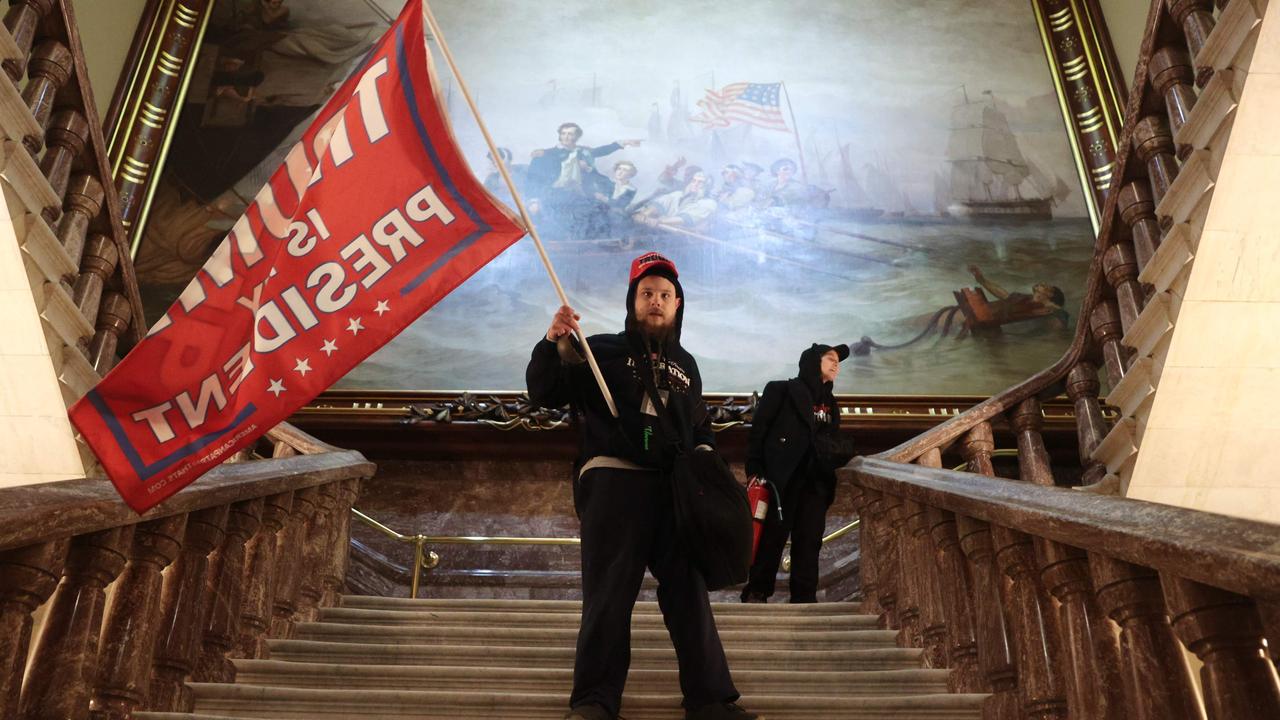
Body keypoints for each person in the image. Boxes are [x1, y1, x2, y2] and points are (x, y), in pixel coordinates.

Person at [527, 253, 759, 720]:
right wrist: (554, 342)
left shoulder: (687, 365)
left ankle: (710, 699)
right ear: (633, 301)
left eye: (665, 295)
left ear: (678, 306)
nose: (656, 301)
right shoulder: (600, 351)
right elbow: (546, 391)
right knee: (609, 594)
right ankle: (594, 700)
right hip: (615, 481)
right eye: (647, 293)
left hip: (674, 491)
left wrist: (709, 463)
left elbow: (700, 430)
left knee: (689, 594)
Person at [741, 343, 853, 604]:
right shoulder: (780, 390)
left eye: (838, 361)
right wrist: (754, 471)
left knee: (810, 541)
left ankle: (804, 598)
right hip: (782, 480)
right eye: (830, 358)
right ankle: (757, 591)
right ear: (812, 361)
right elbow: (759, 432)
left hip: (816, 482)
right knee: (772, 538)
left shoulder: (831, 404)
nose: (836, 364)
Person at [961, 264, 1069, 335]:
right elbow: (1003, 294)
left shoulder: (1055, 310)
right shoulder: (1025, 299)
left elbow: (1059, 326)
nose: (1042, 283)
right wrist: (981, 279)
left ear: (1050, 294)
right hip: (988, 323)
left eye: (1046, 286)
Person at [633, 171, 719, 231]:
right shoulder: (678, 194)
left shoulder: (709, 203)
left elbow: (685, 219)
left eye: (700, 182)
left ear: (707, 187)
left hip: (683, 240)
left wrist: (660, 221)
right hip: (662, 231)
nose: (695, 184)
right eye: (693, 181)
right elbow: (659, 204)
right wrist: (644, 214)